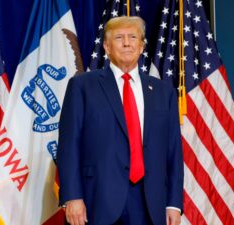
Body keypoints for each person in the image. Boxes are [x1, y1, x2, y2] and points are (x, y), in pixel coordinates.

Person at [57, 16, 184, 225]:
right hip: (97, 200)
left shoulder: (163, 92)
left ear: (141, 46)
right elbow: (69, 145)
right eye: (119, 37)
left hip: (150, 202)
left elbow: (173, 151)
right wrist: (72, 196)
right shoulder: (82, 86)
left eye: (133, 37)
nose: (127, 43)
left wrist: (173, 203)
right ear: (106, 46)